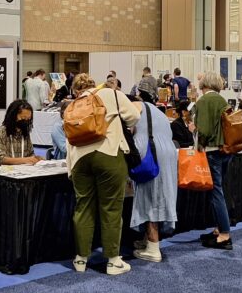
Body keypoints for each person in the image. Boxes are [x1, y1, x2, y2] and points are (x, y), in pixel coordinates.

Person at [68, 73, 139, 275]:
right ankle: (113, 261)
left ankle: (80, 260)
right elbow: (135, 116)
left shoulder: (75, 103)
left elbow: (69, 138)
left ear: (76, 88)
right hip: (109, 153)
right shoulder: (110, 94)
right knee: (111, 208)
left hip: (79, 160)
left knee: (83, 207)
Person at [130, 97, 178, 263]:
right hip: (168, 153)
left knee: (149, 198)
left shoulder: (134, 106)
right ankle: (147, 239)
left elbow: (127, 131)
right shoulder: (158, 111)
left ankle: (153, 247)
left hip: (150, 154)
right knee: (161, 196)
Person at [194, 72, 233, 250]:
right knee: (219, 191)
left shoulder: (203, 101)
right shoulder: (222, 101)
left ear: (204, 84)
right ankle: (220, 229)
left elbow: (205, 131)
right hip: (226, 150)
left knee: (216, 193)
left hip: (212, 151)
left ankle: (224, 234)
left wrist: (195, 132)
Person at [0, 99, 43, 166]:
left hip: (23, 171)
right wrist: (25, 160)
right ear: (13, 116)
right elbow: (0, 159)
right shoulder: (2, 133)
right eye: (23, 118)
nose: (26, 121)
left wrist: (36, 159)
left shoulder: (24, 132)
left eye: (28, 119)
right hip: (5, 172)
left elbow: (30, 153)